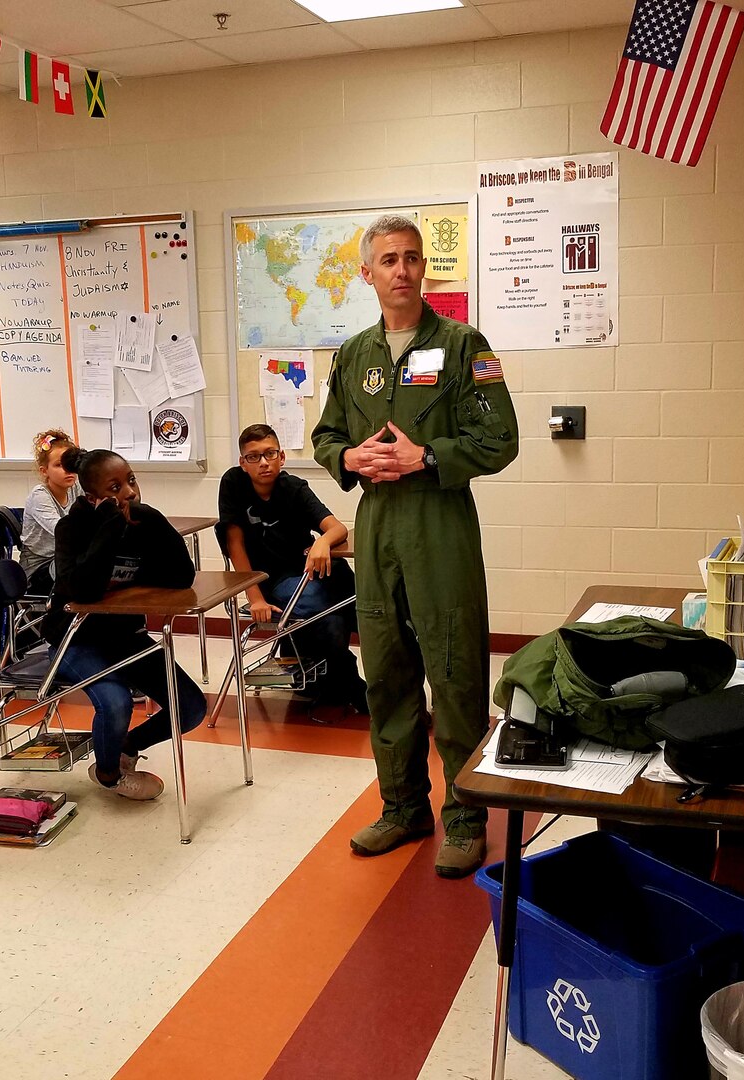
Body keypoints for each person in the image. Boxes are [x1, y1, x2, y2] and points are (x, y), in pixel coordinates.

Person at [312, 213, 519, 879]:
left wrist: (426, 455)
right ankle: (402, 807)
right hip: (375, 528)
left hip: (439, 524)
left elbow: (500, 440)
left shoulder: (466, 346)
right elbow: (324, 437)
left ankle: (464, 817)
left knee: (455, 674)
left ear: (422, 267)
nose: (402, 270)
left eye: (411, 258)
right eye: (388, 260)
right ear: (367, 274)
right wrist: (351, 457)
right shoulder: (353, 356)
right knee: (387, 674)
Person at [44, 449, 206, 801]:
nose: (130, 492)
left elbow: (182, 576)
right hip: (75, 637)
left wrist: (149, 522)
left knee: (190, 706)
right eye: (115, 486)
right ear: (93, 497)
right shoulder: (71, 528)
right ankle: (107, 774)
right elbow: (83, 591)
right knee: (116, 702)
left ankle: (124, 748)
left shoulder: (144, 518)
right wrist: (110, 526)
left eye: (131, 479)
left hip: (123, 635)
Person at [217, 423, 365, 712]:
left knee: (365, 602)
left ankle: (320, 676)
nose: (263, 462)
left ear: (281, 457)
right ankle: (354, 688)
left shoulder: (293, 487)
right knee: (326, 613)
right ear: (243, 463)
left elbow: (335, 528)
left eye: (270, 454)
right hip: (271, 580)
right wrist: (255, 596)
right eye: (254, 456)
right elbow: (235, 545)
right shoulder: (234, 483)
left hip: (309, 572)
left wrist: (323, 542)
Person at [19, 428, 78, 594]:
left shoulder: (76, 487)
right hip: (39, 567)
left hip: (65, 560)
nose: (67, 470)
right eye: (59, 465)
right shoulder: (40, 496)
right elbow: (63, 531)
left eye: (71, 464)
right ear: (44, 471)